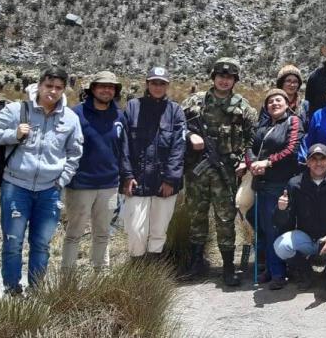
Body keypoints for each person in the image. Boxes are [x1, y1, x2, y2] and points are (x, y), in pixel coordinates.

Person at [0, 67, 84, 295]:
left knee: (42, 245)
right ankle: (12, 290)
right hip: (16, 186)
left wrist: (62, 180)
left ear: (64, 90)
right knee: (13, 242)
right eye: (48, 86)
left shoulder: (70, 118)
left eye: (58, 88)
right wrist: (13, 135)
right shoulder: (18, 110)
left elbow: (75, 153)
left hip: (50, 190)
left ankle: (36, 290)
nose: (52, 92)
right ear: (39, 85)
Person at [181, 57, 258, 286]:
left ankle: (227, 267)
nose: (224, 81)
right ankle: (196, 263)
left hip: (226, 170)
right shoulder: (195, 101)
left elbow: (252, 138)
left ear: (235, 80)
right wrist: (189, 136)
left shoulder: (243, 106)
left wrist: (244, 161)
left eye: (229, 77)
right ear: (213, 77)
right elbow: (175, 125)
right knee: (197, 216)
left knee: (225, 219)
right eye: (221, 76)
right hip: (197, 171)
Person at [120, 66, 186, 261]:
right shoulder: (133, 107)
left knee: (158, 231)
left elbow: (178, 148)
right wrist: (127, 176)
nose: (158, 87)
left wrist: (171, 180)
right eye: (154, 82)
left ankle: (153, 272)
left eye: (162, 83)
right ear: (147, 84)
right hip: (137, 181)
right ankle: (136, 267)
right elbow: (123, 145)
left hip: (164, 182)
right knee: (136, 231)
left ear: (167, 86)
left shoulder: (175, 111)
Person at [62, 71, 125, 272]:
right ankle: (68, 277)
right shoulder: (75, 114)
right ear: (92, 89)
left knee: (103, 232)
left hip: (110, 185)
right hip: (80, 185)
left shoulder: (120, 116)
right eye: (102, 86)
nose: (107, 90)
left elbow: (125, 149)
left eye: (111, 87)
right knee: (74, 233)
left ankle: (101, 274)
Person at [246, 88, 304, 288]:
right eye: (270, 101)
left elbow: (291, 149)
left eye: (278, 100)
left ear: (287, 103)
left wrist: (267, 163)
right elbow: (250, 147)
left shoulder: (293, 122)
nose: (274, 104)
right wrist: (252, 163)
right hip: (261, 183)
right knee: (262, 226)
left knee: (273, 228)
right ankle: (270, 268)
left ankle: (278, 273)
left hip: (281, 183)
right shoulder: (261, 126)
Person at [273, 143, 326, 290]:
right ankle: (305, 271)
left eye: (322, 159)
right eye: (313, 159)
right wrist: (281, 210)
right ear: (307, 162)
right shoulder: (295, 184)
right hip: (307, 238)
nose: (318, 163)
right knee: (281, 246)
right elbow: (284, 224)